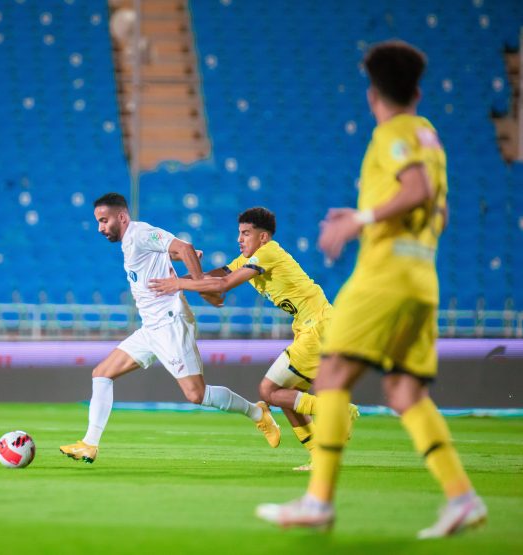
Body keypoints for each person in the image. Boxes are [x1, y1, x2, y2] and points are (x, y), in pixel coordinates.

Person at [256, 40, 487, 538]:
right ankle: (462, 497)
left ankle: (318, 502)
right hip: (422, 278)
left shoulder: (393, 134)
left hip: (383, 277)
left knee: (333, 375)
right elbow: (438, 209)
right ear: (418, 90)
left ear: (372, 94)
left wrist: (360, 220)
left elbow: (418, 189)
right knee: (405, 391)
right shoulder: (429, 134)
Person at [59, 193, 280, 464]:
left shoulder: (139, 233)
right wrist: (182, 259)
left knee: (196, 394)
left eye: (104, 221)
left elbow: (184, 246)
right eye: (98, 222)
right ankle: (89, 444)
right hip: (151, 327)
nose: (100, 228)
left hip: (170, 323)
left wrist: (199, 283)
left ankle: (258, 414)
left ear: (122, 217)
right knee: (102, 373)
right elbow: (174, 252)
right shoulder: (132, 242)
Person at [149, 207, 359, 470]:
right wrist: (180, 275)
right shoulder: (247, 259)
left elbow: (223, 287)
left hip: (318, 327)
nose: (240, 239)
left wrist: (178, 285)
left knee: (269, 391)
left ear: (263, 237)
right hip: (314, 328)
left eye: (246, 233)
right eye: (239, 233)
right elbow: (212, 278)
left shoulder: (268, 253)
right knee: (287, 396)